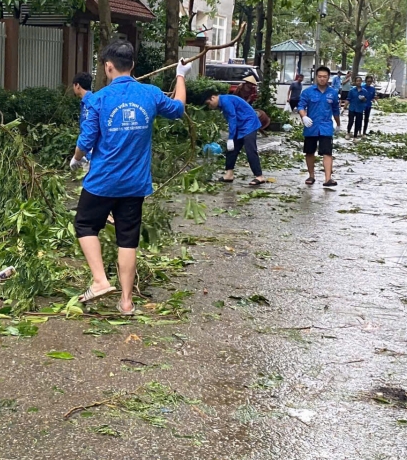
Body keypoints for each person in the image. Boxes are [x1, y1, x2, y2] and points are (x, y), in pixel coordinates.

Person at [70, 41, 191, 316]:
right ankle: (126, 302)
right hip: (135, 184)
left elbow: (86, 140)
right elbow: (179, 108)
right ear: (133, 65)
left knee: (85, 224)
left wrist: (77, 159)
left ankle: (100, 280)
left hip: (102, 181)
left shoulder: (98, 99)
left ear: (108, 66)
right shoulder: (150, 94)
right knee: (128, 239)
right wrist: (181, 75)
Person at [207, 90, 265, 185]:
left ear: (213, 97)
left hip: (249, 123)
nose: (210, 107)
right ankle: (229, 174)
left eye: (209, 104)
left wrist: (230, 138)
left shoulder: (225, 101)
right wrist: (231, 139)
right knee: (231, 149)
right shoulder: (222, 103)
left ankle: (259, 176)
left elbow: (232, 119)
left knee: (250, 149)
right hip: (240, 125)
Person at [297, 65, 341, 188]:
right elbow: (300, 106)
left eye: (325, 77)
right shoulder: (308, 92)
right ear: (316, 77)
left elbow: (336, 110)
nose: (322, 79)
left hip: (326, 127)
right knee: (310, 152)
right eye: (320, 76)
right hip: (311, 126)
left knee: (327, 152)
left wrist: (338, 124)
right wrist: (304, 117)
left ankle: (328, 179)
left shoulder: (333, 93)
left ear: (328, 78)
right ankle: (311, 175)